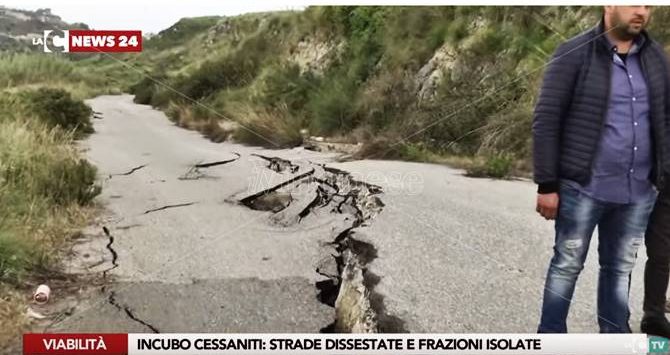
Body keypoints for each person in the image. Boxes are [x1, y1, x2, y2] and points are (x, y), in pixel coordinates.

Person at [533, 6, 669, 333]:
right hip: (582, 188)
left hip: (638, 192)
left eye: (648, 5)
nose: (641, 12)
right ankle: (551, 336)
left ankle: (614, 337)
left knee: (620, 269)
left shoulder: (656, 60)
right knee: (566, 265)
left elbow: (665, 120)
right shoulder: (573, 54)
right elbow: (547, 120)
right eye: (634, 3)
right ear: (609, 5)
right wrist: (547, 184)